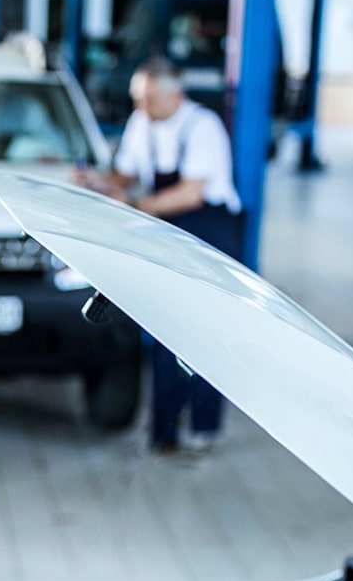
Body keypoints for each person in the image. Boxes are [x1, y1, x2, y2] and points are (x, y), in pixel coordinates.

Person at [76, 57, 242, 453]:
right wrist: (95, 180)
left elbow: (191, 193)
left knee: (205, 333)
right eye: (138, 100)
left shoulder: (204, 128)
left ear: (176, 95)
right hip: (167, 231)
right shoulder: (141, 124)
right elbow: (129, 171)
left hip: (209, 233)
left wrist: (135, 205)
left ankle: (203, 428)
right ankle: (163, 431)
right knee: (167, 327)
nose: (141, 108)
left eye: (149, 100)